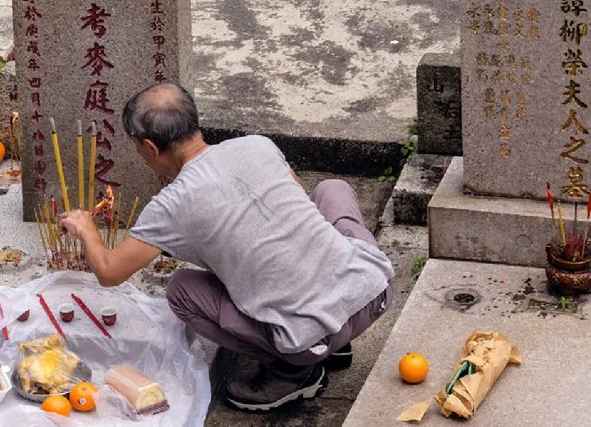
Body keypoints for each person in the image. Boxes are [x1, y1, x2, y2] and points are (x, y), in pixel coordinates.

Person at [58, 82, 394, 412]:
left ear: (149, 147)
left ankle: (292, 372)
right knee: (332, 190)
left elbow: (109, 272)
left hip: (307, 337)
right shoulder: (257, 145)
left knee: (182, 291)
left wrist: (86, 228)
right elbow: (294, 195)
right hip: (373, 292)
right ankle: (338, 340)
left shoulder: (171, 205)